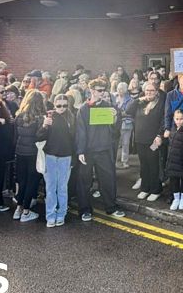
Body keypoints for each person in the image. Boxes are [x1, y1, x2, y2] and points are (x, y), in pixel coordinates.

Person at [76, 78, 125, 221]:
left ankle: (111, 207)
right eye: (99, 90)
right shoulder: (83, 109)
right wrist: (80, 151)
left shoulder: (109, 107)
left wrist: (115, 118)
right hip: (88, 151)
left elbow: (115, 131)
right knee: (84, 181)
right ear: (91, 91)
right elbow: (80, 132)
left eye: (104, 90)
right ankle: (85, 209)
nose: (102, 93)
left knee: (108, 180)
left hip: (104, 149)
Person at [40, 94, 75, 227]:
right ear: (54, 105)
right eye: (59, 105)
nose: (62, 108)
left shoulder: (72, 118)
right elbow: (38, 137)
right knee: (50, 188)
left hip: (66, 157)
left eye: (64, 105)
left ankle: (61, 214)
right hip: (50, 156)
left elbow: (75, 140)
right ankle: (50, 215)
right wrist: (44, 125)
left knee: (62, 188)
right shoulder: (49, 117)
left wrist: (74, 159)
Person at [127, 82, 165, 201]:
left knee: (153, 164)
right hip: (140, 140)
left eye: (152, 90)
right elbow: (128, 110)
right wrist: (138, 99)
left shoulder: (160, 104)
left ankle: (155, 190)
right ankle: (145, 188)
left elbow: (163, 121)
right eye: (147, 90)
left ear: (156, 92)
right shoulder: (140, 103)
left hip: (153, 141)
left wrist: (159, 135)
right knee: (144, 165)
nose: (149, 92)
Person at [7, 91, 40, 222]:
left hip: (20, 151)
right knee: (32, 181)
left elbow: (15, 136)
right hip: (34, 152)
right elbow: (40, 136)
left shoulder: (19, 116)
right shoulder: (39, 117)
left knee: (22, 181)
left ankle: (18, 209)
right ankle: (26, 210)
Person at [165, 109, 183, 211]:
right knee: (174, 180)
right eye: (177, 119)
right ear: (174, 119)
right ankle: (176, 199)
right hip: (173, 161)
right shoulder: (173, 130)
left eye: (181, 119)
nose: (179, 121)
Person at [114, 82, 135, 168]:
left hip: (126, 124)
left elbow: (129, 112)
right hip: (115, 124)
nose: (120, 91)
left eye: (122, 89)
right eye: (118, 89)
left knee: (125, 144)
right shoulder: (114, 97)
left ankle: (125, 161)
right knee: (116, 144)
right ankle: (114, 161)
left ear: (126, 90)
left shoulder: (131, 100)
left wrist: (118, 113)